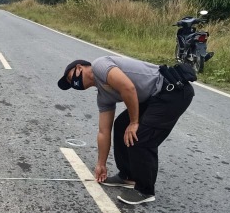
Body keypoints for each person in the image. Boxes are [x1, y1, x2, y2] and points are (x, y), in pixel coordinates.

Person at [57, 56, 194, 205]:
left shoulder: (99, 65)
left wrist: (134, 122)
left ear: (79, 68)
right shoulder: (103, 97)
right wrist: (101, 164)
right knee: (122, 125)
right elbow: (104, 131)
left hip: (173, 91)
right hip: (154, 97)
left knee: (140, 136)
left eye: (71, 78)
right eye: (70, 84)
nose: (73, 84)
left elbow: (128, 87)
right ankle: (128, 176)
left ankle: (145, 190)